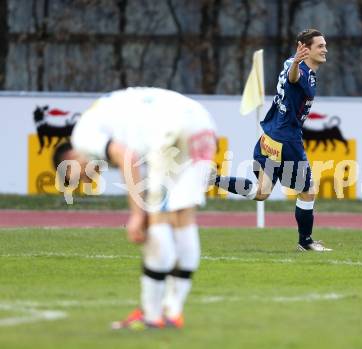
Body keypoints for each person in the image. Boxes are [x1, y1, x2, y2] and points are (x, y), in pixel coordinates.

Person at [52, 87, 217, 329]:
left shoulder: (81, 136)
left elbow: (127, 156)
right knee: (184, 218)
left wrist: (137, 214)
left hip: (170, 126)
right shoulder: (105, 117)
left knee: (156, 222)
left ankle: (152, 317)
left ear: (70, 160)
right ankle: (173, 313)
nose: (86, 182)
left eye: (76, 178)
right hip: (202, 121)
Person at [214, 29, 332, 252]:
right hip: (287, 140)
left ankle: (213, 179)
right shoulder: (300, 70)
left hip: (269, 138)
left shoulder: (290, 62)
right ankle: (305, 242)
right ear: (305, 49)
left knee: (262, 192)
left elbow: (290, 74)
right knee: (308, 191)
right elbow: (293, 78)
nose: (325, 49)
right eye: (320, 46)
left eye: (325, 45)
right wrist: (298, 64)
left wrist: (295, 62)